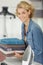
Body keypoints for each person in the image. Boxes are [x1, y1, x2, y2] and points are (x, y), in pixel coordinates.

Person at [14, 1, 43, 65]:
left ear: (29, 12)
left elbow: (39, 51)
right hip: (28, 60)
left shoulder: (35, 29)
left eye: (23, 13)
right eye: (19, 13)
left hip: (37, 62)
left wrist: (23, 56)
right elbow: (25, 45)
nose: (21, 16)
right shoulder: (23, 25)